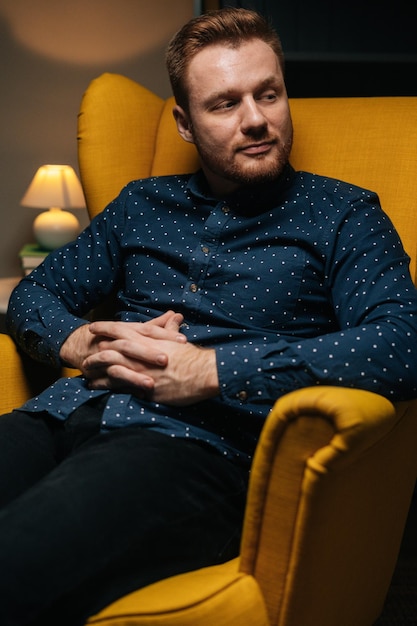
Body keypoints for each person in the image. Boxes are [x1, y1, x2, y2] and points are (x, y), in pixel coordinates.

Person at [1, 7, 417, 625]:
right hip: (63, 415)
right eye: (225, 104)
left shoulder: (345, 216)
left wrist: (212, 370)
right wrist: (79, 341)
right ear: (185, 122)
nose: (256, 120)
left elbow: (400, 345)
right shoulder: (142, 205)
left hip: (193, 451)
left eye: (268, 94)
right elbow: (32, 295)